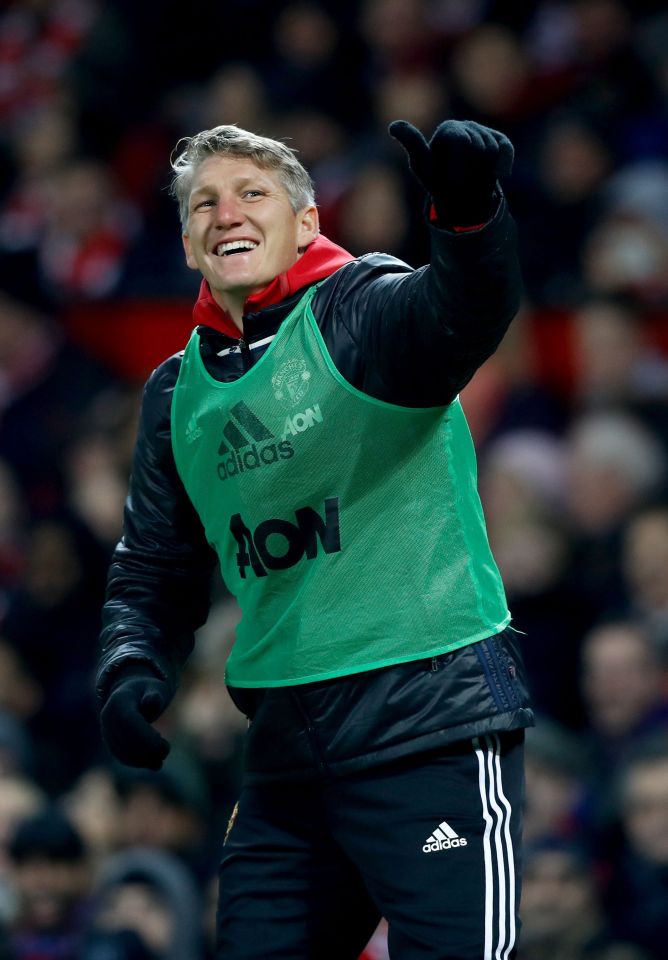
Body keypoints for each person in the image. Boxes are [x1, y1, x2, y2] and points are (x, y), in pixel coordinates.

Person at [96, 118, 534, 959]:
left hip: (426, 726)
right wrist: (131, 662)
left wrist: (469, 216)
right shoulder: (173, 395)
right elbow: (153, 564)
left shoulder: (361, 307)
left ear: (305, 223)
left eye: (251, 194)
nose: (226, 214)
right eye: (204, 205)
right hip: (286, 753)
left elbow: (463, 311)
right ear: (187, 244)